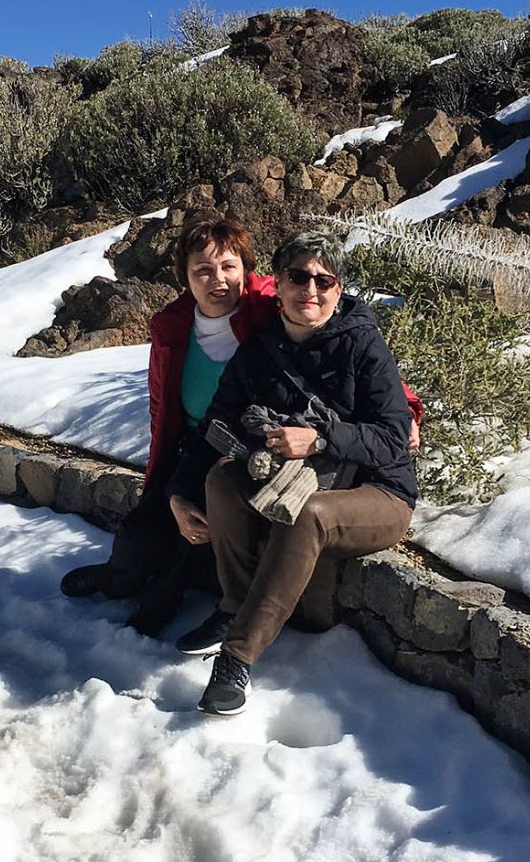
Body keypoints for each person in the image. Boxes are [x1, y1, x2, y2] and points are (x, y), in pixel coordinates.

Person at [171, 229, 417, 715]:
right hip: (292, 480)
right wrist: (179, 495)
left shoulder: (362, 345)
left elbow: (393, 437)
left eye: (324, 280)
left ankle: (237, 656)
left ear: (338, 289)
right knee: (222, 479)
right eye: (299, 277)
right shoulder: (260, 351)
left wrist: (322, 439)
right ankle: (233, 606)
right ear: (277, 285)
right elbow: (216, 424)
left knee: (309, 516)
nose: (311, 290)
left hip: (378, 490)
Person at [58, 215, 276, 633]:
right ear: (186, 278)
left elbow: (333, 336)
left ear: (246, 268)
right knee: (142, 533)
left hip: (243, 454)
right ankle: (119, 576)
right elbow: (163, 406)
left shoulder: (269, 310)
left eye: (229, 266)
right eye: (203, 270)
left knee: (195, 522)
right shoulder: (174, 327)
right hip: (190, 447)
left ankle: (164, 597)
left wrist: (404, 406)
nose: (219, 279)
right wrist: (163, 478)